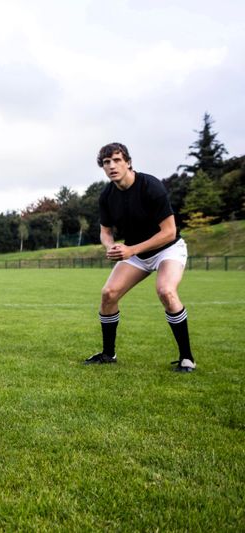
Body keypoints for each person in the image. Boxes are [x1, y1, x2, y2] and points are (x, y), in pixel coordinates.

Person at [85, 142, 195, 372]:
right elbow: (105, 232)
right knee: (109, 294)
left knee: (166, 291)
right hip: (135, 253)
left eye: (117, 160)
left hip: (168, 248)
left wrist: (131, 250)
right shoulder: (107, 196)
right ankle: (108, 354)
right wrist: (111, 246)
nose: (112, 166)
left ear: (128, 162)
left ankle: (186, 358)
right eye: (107, 162)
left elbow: (169, 232)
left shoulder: (150, 186)